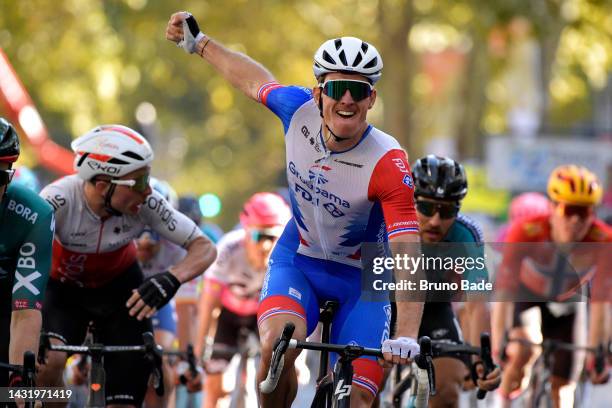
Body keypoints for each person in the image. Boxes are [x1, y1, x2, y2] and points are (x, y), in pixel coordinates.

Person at [167, 13, 424, 407]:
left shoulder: (388, 162)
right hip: (298, 259)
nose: (347, 100)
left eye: (359, 91)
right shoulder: (297, 110)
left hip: (361, 280)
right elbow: (251, 79)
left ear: (372, 98)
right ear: (319, 92)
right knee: (275, 349)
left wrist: (406, 334)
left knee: (358, 397)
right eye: (337, 88)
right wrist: (200, 44)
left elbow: (408, 251)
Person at [36, 124, 216, 408]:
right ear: (103, 185)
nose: (147, 191)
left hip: (121, 295)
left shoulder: (147, 204)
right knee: (49, 364)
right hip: (64, 292)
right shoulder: (57, 200)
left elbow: (205, 247)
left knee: (129, 393)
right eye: (140, 182)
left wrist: (171, 278)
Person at [492, 164, 611, 408]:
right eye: (570, 210)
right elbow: (504, 289)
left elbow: (601, 302)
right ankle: (501, 400)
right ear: (553, 208)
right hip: (526, 296)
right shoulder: (526, 231)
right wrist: (498, 343)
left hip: (569, 303)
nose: (576, 221)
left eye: (585, 212)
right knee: (524, 351)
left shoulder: (603, 240)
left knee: (564, 388)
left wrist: (598, 351)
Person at [410, 155, 500, 407]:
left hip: (433, 310)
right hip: (385, 305)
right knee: (368, 386)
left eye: (447, 210)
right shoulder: (388, 221)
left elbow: (477, 302)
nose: (436, 220)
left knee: (448, 393)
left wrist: (481, 359)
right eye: (426, 208)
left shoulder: (467, 235)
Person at [195, 192, 290, 407]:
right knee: (216, 385)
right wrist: (199, 349)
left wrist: (298, 358)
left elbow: (294, 307)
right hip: (228, 317)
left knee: (269, 379)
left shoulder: (286, 255)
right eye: (259, 236)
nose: (265, 246)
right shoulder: (228, 249)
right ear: (246, 231)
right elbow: (208, 303)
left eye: (273, 237)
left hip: (262, 317)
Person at [0, 118, 54, 389]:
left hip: (7, 305)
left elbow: (24, 311)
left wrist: (18, 379)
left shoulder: (34, 214)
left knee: (21, 393)